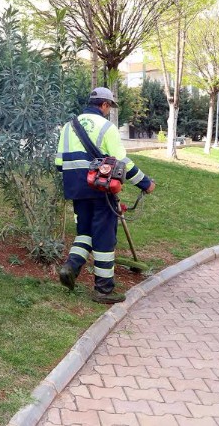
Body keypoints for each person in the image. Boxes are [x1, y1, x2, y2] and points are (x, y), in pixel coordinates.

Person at [54, 87, 156, 304]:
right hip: (101, 189)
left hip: (76, 189)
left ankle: (70, 267)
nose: (108, 111)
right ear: (105, 105)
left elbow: (58, 164)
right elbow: (123, 164)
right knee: (104, 237)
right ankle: (103, 290)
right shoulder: (107, 127)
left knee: (85, 232)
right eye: (109, 107)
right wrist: (145, 184)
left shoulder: (67, 127)